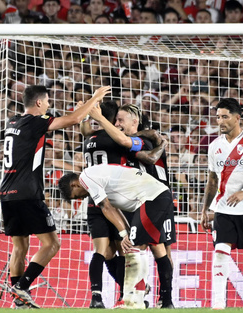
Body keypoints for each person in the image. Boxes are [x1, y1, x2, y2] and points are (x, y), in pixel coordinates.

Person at [0, 85, 111, 309]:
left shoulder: (12, 122)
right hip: (28, 194)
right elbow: (74, 119)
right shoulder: (35, 121)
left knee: (19, 247)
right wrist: (95, 98)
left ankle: (19, 301)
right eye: (48, 101)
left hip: (7, 194)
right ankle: (22, 286)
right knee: (52, 244)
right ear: (39, 103)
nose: (49, 105)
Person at [89, 104, 175, 308]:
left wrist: (160, 141)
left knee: (155, 249)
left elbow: (148, 155)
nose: (117, 124)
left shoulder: (142, 142)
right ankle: (150, 297)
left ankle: (154, 298)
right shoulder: (135, 142)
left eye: (121, 121)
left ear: (134, 122)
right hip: (140, 200)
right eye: (115, 121)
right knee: (147, 248)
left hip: (157, 199)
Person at [58, 164, 175, 309]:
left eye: (77, 195)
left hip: (151, 198)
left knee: (134, 248)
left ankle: (132, 300)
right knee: (157, 248)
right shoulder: (101, 180)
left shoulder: (86, 178)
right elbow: (114, 209)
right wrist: (126, 231)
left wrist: (125, 234)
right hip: (155, 196)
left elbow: (106, 207)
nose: (81, 198)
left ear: (74, 184)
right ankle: (167, 301)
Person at [200, 98, 243, 309]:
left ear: (237, 118)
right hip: (223, 209)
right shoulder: (214, 146)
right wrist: (205, 209)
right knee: (220, 252)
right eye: (218, 117)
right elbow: (212, 180)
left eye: (225, 117)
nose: (220, 121)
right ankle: (218, 302)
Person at [80, 100, 131, 308]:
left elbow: (84, 129)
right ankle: (125, 294)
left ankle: (97, 297)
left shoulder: (89, 139)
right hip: (116, 201)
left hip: (95, 201)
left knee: (103, 252)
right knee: (122, 250)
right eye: (117, 119)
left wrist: (86, 113)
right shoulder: (115, 138)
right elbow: (126, 142)